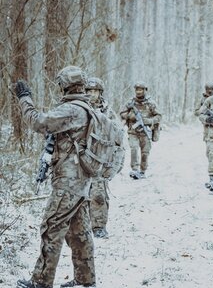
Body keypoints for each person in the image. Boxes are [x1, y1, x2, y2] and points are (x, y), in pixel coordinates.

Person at [14, 66, 96, 288]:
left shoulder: (72, 109)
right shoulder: (87, 106)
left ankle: (40, 281)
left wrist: (24, 99)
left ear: (64, 85)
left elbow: (39, 122)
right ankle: (85, 280)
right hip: (81, 181)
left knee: (51, 227)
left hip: (69, 182)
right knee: (79, 232)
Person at [85, 77, 120, 239]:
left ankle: (98, 226)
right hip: (79, 159)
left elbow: (118, 139)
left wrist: (116, 164)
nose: (92, 94)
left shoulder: (108, 112)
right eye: (89, 91)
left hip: (100, 160)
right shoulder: (79, 109)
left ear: (100, 93)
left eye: (95, 91)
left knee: (98, 195)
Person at [120, 81, 162, 179]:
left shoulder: (151, 103)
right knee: (134, 149)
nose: (138, 92)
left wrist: (149, 120)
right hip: (133, 132)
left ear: (145, 90)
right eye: (137, 90)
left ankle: (142, 171)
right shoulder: (131, 102)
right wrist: (130, 116)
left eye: (141, 90)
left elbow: (159, 116)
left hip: (146, 132)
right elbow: (122, 113)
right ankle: (134, 169)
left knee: (145, 152)